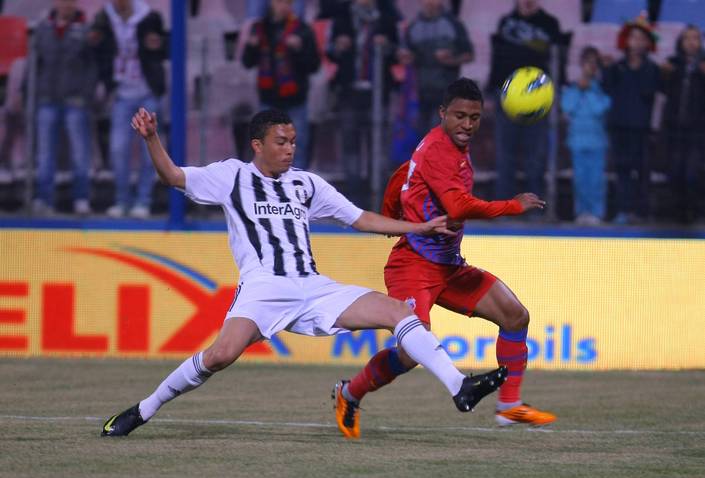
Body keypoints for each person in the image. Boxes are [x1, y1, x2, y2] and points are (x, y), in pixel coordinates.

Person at [101, 108, 508, 437]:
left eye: (294, 141)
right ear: (257, 145)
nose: (290, 149)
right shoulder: (231, 177)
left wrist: (417, 227)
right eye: (281, 142)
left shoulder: (306, 185)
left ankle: (459, 387)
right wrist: (152, 138)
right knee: (220, 355)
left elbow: (360, 218)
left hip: (313, 287)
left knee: (400, 313)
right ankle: (144, 409)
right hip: (264, 289)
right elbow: (173, 176)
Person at [332, 78, 556, 440]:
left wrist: (398, 212)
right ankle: (349, 393)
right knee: (410, 351)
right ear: (442, 114)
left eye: (475, 117)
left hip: (449, 267)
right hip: (413, 267)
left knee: (516, 315)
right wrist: (512, 206)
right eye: (459, 116)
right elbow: (457, 206)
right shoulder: (438, 149)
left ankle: (508, 407)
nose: (467, 125)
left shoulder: (447, 151)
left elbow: (401, 179)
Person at [91, 0, 167, 219]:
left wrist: (157, 45)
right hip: (121, 94)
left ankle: (143, 201)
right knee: (118, 149)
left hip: (147, 93)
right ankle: (122, 200)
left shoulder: (150, 17)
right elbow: (97, 50)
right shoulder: (104, 18)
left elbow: (164, 49)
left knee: (148, 152)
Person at [487, 0, 562, 204]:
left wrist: (558, 94)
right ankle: (503, 207)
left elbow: (558, 64)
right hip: (505, 98)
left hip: (539, 101)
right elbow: (497, 59)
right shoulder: (506, 22)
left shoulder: (550, 24)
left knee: (535, 157)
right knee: (505, 155)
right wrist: (489, 92)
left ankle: (533, 207)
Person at [326, 0, 398, 209]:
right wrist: (338, 47)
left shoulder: (387, 18)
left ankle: (379, 199)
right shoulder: (342, 19)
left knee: (379, 149)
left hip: (379, 93)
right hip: (349, 92)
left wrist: (387, 47)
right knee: (350, 147)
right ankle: (353, 201)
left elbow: (398, 54)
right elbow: (329, 52)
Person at [32, 0, 96, 216]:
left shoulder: (86, 30)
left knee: (80, 154)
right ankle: (44, 200)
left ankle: (81, 198)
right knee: (45, 155)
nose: (65, 5)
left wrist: (86, 96)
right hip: (47, 99)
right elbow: (35, 65)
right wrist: (30, 95)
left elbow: (92, 66)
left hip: (75, 101)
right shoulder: (43, 28)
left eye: (69, 1)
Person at [242, 0, 321, 170]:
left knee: (295, 149)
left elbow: (314, 64)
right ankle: (268, 188)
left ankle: (295, 189)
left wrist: (299, 49)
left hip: (295, 100)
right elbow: (247, 62)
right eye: (279, 2)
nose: (283, 6)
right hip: (268, 100)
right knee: (266, 148)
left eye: (287, 2)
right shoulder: (260, 29)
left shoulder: (302, 29)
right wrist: (251, 46)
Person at [602, 14, 660, 224]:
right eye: (633, 37)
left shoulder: (653, 70)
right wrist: (604, 68)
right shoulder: (616, 68)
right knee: (622, 170)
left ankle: (642, 212)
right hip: (619, 127)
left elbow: (654, 98)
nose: (636, 42)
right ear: (626, 40)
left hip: (642, 129)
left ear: (648, 43)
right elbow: (606, 88)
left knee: (642, 171)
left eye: (641, 38)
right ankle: (623, 211)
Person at [398, 0, 474, 131]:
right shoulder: (413, 26)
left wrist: (450, 59)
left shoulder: (454, 24)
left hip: (447, 95)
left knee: (443, 137)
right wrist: (406, 57)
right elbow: (405, 56)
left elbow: (469, 54)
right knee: (423, 138)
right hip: (421, 95)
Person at [561, 46, 611, 226]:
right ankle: (581, 212)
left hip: (597, 142)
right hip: (577, 142)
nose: (590, 67)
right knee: (580, 180)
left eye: (593, 63)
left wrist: (589, 90)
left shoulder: (602, 89)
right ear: (581, 64)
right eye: (587, 62)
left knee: (596, 180)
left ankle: (597, 212)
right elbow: (567, 107)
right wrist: (580, 89)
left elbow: (600, 109)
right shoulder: (572, 88)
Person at [660, 25, 705, 224]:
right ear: (681, 42)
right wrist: (665, 74)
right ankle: (676, 211)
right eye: (687, 38)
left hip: (697, 129)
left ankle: (693, 210)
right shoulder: (672, 64)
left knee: (692, 172)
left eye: (695, 38)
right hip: (674, 128)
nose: (691, 42)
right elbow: (661, 90)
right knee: (675, 171)